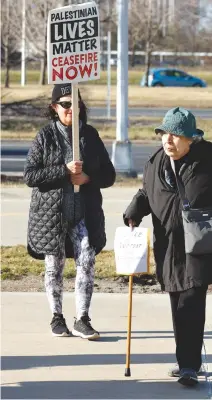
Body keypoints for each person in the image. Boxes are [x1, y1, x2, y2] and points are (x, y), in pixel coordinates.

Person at [123, 107, 212, 387]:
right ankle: (185, 361)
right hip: (168, 244)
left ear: (191, 138)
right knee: (177, 300)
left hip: (198, 245)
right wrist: (135, 209)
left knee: (191, 300)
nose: (168, 139)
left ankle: (190, 365)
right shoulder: (155, 163)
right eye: (163, 133)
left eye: (176, 135)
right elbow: (147, 192)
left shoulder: (211, 162)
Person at [24, 83, 116, 340]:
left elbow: (109, 175)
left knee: (87, 259)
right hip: (52, 214)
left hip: (83, 211)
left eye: (75, 104)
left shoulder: (90, 135)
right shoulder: (45, 136)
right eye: (65, 104)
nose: (70, 109)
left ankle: (82, 318)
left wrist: (87, 178)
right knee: (54, 265)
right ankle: (57, 317)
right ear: (55, 108)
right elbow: (30, 176)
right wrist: (63, 170)